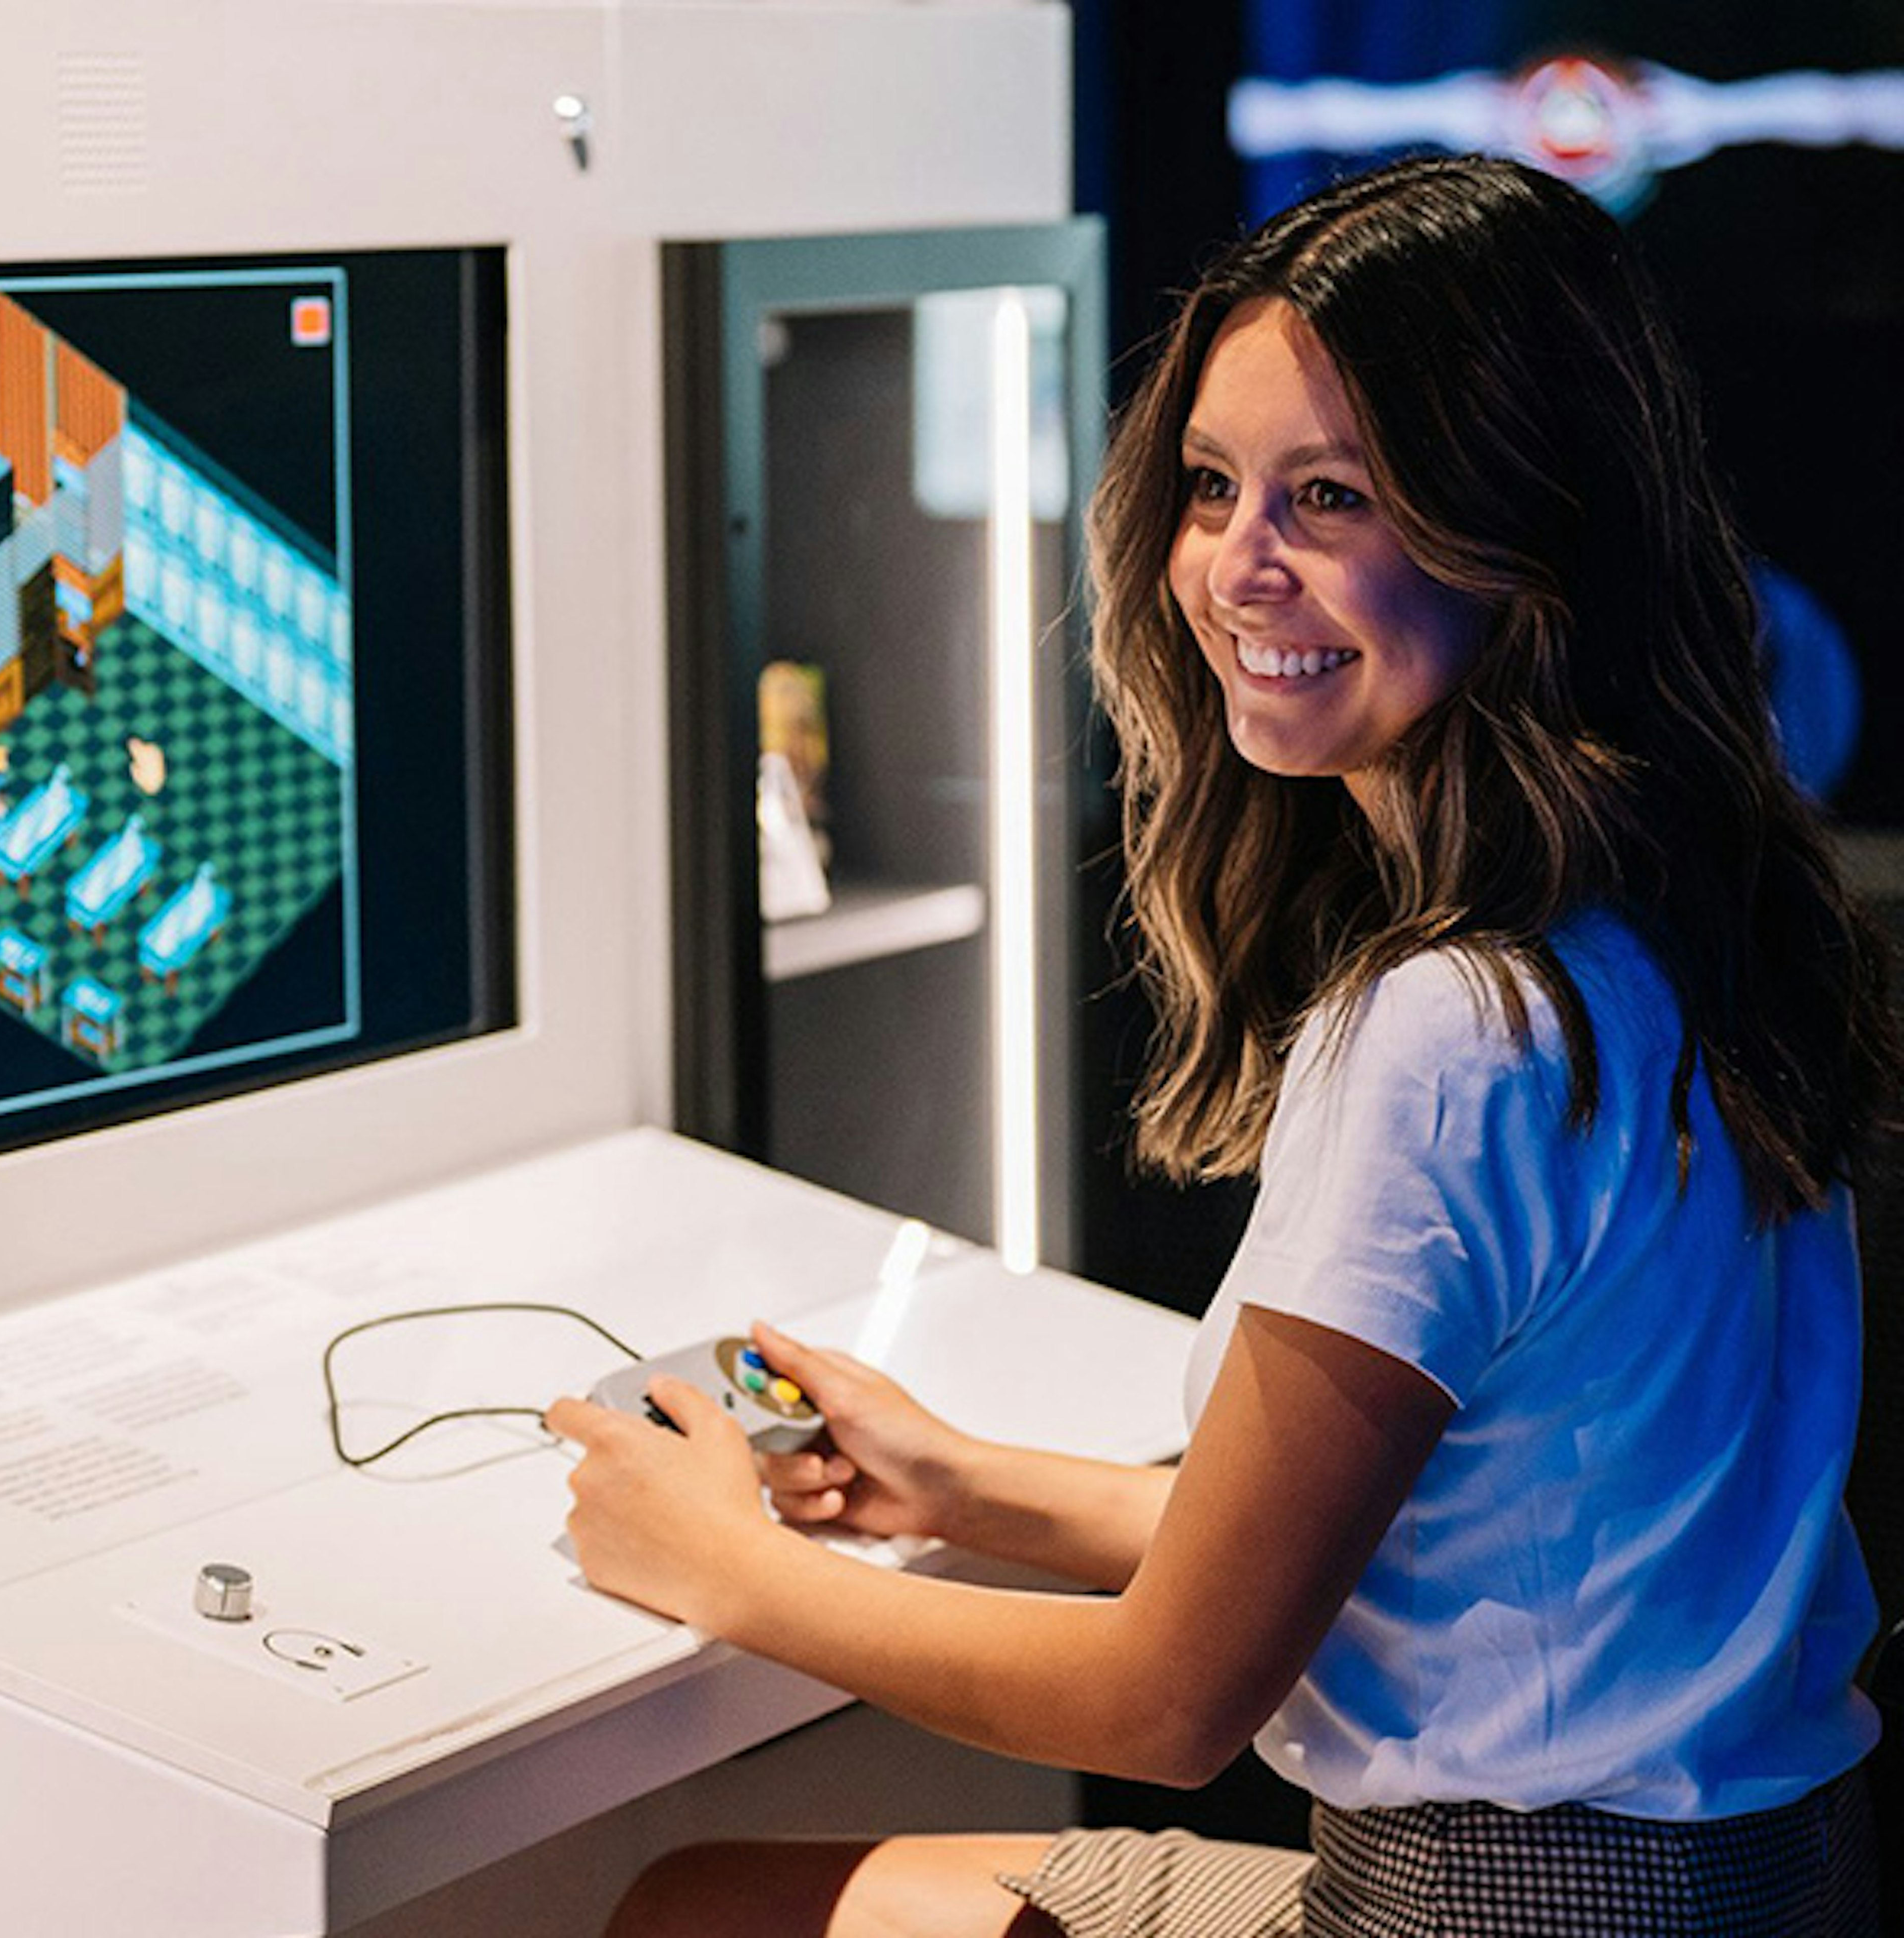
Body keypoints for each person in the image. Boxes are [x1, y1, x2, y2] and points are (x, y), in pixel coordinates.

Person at [546, 153, 1897, 1936]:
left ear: (1528, 523)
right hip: (1760, 1895)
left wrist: (712, 1561)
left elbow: (1169, 1704)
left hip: (1492, 1912)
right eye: (1209, 486)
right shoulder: (1687, 923)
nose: (1233, 570)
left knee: (699, 1913)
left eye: (1327, 496)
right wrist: (958, 1485)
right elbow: (1412, 1556)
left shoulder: (1458, 1027)